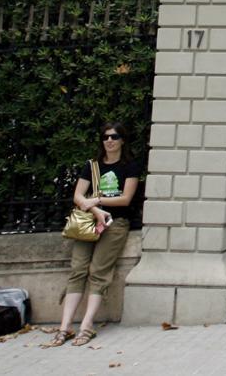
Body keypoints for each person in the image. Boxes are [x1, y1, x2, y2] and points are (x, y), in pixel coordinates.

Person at [50, 122, 141, 347]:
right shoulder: (92, 166)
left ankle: (87, 325)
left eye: (115, 136)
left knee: (99, 271)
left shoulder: (130, 166)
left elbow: (125, 199)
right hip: (89, 222)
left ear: (122, 140)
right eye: (105, 137)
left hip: (115, 223)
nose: (109, 140)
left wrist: (97, 201)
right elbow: (78, 196)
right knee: (78, 269)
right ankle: (64, 327)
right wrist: (95, 210)